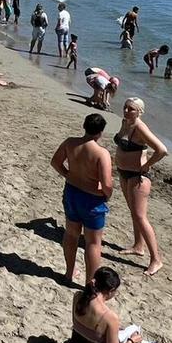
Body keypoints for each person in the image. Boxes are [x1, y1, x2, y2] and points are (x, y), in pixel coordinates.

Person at [66, 267, 162, 343]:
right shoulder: (110, 317)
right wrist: (132, 341)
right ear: (111, 290)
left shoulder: (78, 297)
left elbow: (78, 326)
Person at [50, 113, 113, 283]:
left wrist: (68, 175)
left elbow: (55, 162)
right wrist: (107, 195)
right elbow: (107, 184)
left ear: (84, 126)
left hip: (72, 192)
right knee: (93, 243)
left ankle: (69, 273)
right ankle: (89, 283)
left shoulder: (70, 143)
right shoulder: (101, 153)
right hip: (91, 199)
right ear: (100, 132)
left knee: (71, 234)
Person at [114, 98, 167, 276]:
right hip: (124, 173)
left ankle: (156, 259)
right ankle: (138, 246)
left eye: (131, 109)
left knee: (140, 216)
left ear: (139, 112)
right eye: (125, 107)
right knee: (133, 212)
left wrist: (147, 164)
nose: (127, 111)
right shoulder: (125, 122)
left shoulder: (140, 127)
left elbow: (161, 150)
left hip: (139, 177)